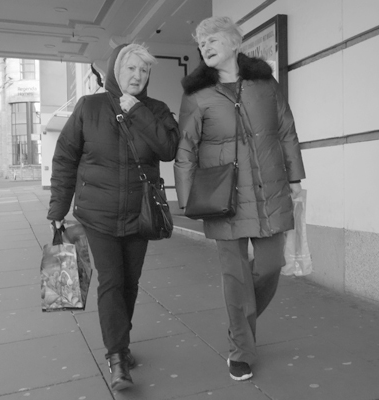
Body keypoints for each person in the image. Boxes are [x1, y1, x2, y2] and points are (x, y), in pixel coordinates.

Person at [174, 16, 306, 382]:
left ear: (235, 42)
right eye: (202, 43)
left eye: (213, 38)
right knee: (235, 278)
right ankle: (241, 350)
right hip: (222, 197)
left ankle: (239, 329)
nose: (207, 46)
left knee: (270, 265)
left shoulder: (265, 83)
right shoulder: (197, 95)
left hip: (269, 190)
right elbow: (185, 148)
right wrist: (187, 199)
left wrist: (295, 177)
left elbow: (286, 130)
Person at [47, 43, 180, 391]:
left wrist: (137, 111)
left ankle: (121, 343)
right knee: (111, 281)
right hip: (98, 215)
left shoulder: (156, 110)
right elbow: (65, 159)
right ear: (115, 71)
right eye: (130, 69)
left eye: (144, 71)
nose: (137, 76)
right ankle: (117, 356)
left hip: (141, 214)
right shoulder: (89, 107)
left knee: (130, 284)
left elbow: (169, 149)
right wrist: (57, 210)